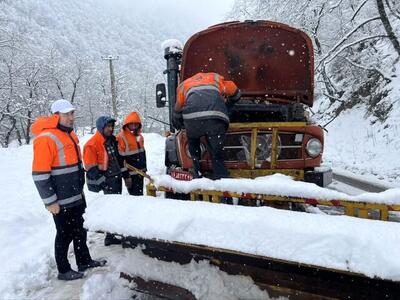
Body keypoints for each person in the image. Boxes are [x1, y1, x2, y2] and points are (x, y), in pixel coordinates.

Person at [32, 99, 106, 281]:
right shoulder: (46, 138)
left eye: (72, 113)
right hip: (60, 200)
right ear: (56, 116)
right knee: (64, 235)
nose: (71, 117)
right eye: (67, 114)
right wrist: (50, 202)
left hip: (76, 195)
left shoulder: (69, 135)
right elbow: (40, 174)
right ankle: (63, 270)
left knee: (81, 229)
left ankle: (84, 260)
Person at [174, 72, 240, 179]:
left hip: (192, 119)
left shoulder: (184, 85)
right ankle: (223, 184)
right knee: (217, 154)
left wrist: (178, 122)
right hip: (215, 118)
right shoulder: (216, 79)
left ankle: (196, 170)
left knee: (193, 139)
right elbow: (236, 93)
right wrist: (228, 105)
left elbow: (177, 109)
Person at [83, 116, 129, 246]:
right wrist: (104, 183)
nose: (110, 129)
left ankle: (113, 234)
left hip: (116, 178)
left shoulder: (112, 141)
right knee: (110, 209)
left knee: (116, 207)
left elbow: (119, 160)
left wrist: (125, 176)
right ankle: (109, 237)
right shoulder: (91, 144)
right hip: (108, 181)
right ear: (101, 127)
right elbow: (91, 168)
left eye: (111, 126)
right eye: (107, 126)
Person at [117, 112, 147, 195]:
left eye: (136, 124)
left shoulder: (140, 137)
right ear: (127, 124)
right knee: (135, 198)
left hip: (140, 173)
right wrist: (126, 177)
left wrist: (144, 170)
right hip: (130, 175)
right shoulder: (121, 137)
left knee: (140, 196)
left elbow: (142, 154)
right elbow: (120, 160)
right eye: (131, 124)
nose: (133, 126)